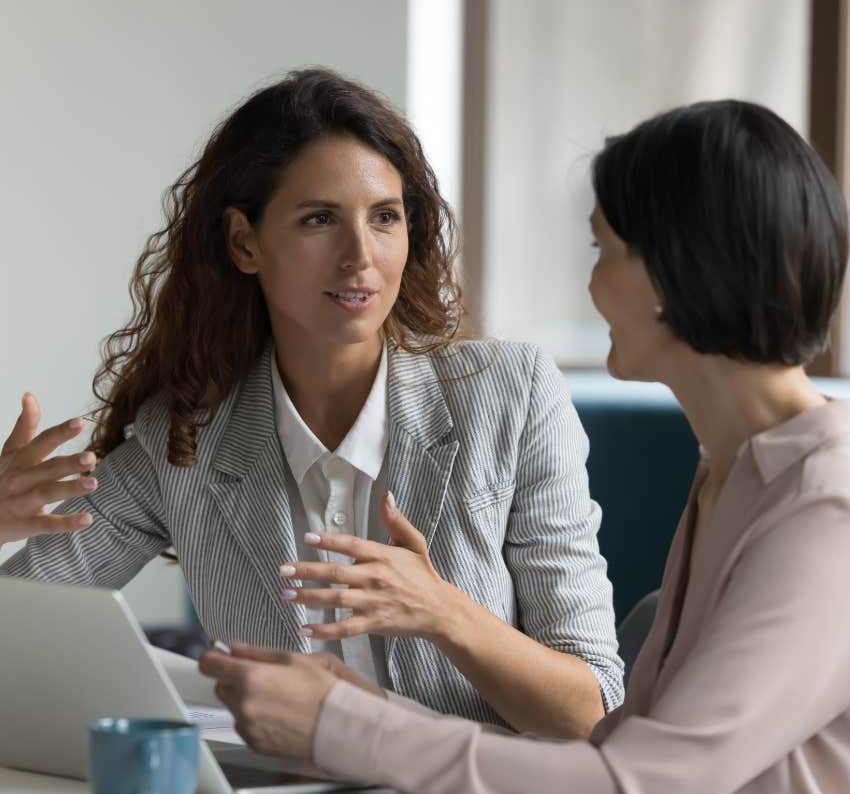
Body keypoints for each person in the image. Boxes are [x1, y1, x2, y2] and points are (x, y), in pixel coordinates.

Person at [199, 99, 850, 794]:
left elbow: (646, 782)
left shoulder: (824, 508)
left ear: (675, 272)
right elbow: (618, 749)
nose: (591, 283)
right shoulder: (734, 472)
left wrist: (342, 727)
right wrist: (358, 707)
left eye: (604, 250)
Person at [0, 67, 622, 736]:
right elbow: (20, 653)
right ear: (244, 242)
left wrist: (442, 611)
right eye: (320, 219)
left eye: (385, 217)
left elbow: (592, 712)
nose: (361, 256)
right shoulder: (181, 442)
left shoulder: (512, 393)